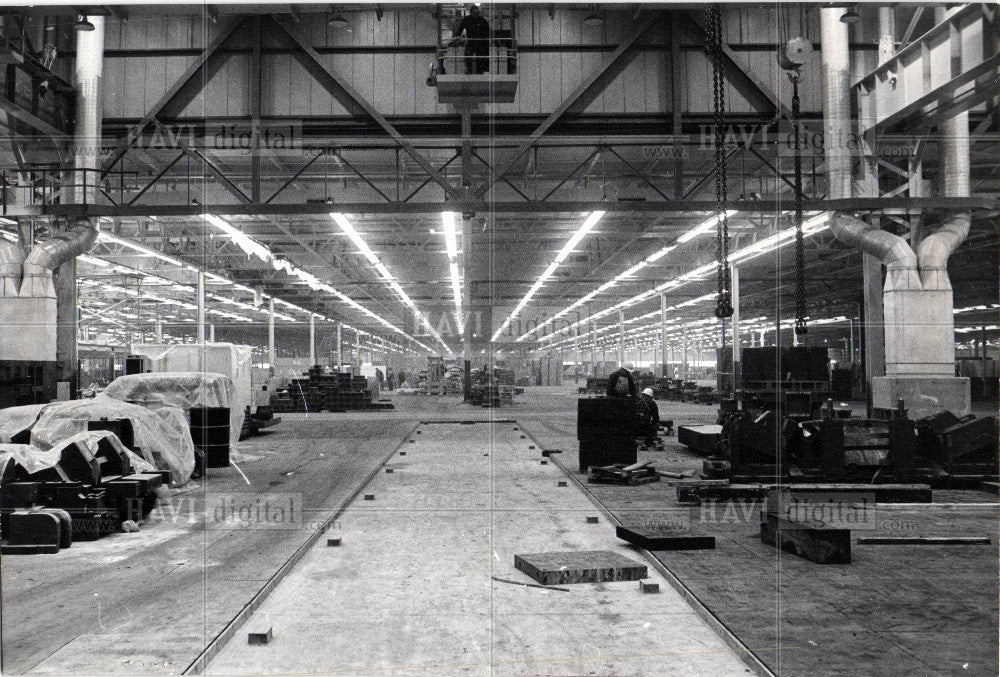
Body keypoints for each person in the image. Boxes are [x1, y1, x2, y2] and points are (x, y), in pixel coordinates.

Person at [454, 5, 491, 75]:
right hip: (471, 42)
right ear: (471, 13)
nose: (477, 15)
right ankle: (470, 71)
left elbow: (488, 31)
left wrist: (486, 40)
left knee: (481, 58)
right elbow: (460, 29)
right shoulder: (466, 19)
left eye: (478, 13)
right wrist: (457, 36)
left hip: (481, 42)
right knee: (467, 56)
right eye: (475, 13)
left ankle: (480, 72)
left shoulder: (482, 20)